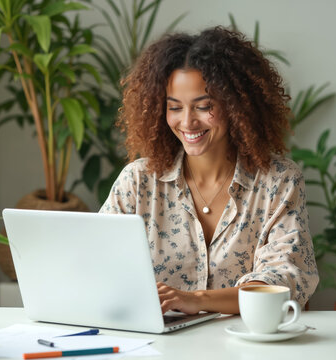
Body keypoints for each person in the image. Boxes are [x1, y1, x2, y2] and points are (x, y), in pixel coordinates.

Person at [100, 26, 319, 315]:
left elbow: (284, 280)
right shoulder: (138, 182)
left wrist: (196, 300)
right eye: (174, 107)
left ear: (235, 106)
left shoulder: (278, 181)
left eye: (204, 106)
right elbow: (98, 264)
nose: (188, 122)